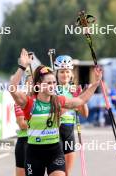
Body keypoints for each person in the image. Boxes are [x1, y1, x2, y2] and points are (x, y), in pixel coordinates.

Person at [9, 48, 102, 176]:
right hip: (34, 153)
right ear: (38, 85)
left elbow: (81, 100)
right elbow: (12, 89)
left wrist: (96, 83)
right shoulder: (29, 103)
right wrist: (22, 67)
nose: (53, 85)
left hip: (54, 151)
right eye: (48, 83)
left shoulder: (59, 100)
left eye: (54, 82)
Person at [54, 55, 89, 176]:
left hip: (69, 133)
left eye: (67, 71)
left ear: (71, 73)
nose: (65, 75)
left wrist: (80, 98)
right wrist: (72, 103)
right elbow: (55, 114)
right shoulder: (52, 89)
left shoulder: (74, 89)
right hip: (54, 134)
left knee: (67, 173)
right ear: (57, 73)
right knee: (58, 173)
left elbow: (85, 114)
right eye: (62, 72)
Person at [14, 74, 33, 176]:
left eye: (36, 82)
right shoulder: (20, 100)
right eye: (31, 82)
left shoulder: (46, 99)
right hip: (25, 141)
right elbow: (22, 124)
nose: (33, 84)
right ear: (26, 84)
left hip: (42, 142)